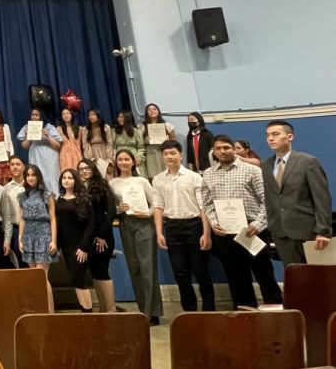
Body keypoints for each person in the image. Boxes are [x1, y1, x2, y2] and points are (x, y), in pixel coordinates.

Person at [202, 135, 282, 308]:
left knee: (264, 275)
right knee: (236, 277)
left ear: (234, 149)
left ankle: (277, 314)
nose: (222, 152)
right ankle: (246, 315)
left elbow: (267, 201)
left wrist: (258, 225)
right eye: (218, 149)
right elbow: (207, 203)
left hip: (252, 230)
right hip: (225, 233)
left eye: (226, 148)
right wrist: (214, 222)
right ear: (214, 152)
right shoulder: (208, 174)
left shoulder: (252, 170)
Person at [152, 142, 215, 312]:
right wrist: (159, 232)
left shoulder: (194, 177)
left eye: (173, 153)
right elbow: (158, 207)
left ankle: (209, 310)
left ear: (180, 155)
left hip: (194, 226)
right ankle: (189, 310)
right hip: (172, 227)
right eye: (166, 154)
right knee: (180, 273)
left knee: (201, 271)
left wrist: (206, 234)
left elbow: (204, 207)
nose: (169, 157)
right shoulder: (158, 180)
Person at [261, 120, 332, 266]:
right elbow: (270, 199)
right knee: (295, 277)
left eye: (276, 134)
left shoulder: (307, 162)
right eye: (268, 135)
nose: (271, 138)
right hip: (280, 232)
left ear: (289, 137)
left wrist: (323, 231)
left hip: (307, 230)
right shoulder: (266, 165)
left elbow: (322, 199)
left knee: (316, 277)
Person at [109, 150, 162, 325]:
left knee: (147, 267)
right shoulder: (113, 183)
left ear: (133, 162)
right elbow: (112, 207)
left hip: (144, 224)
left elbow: (156, 201)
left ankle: (152, 312)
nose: (123, 162)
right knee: (134, 266)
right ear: (116, 162)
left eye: (127, 159)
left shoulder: (142, 181)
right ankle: (142, 310)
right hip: (125, 223)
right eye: (120, 159)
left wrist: (148, 213)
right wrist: (119, 209)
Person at [77, 159, 116, 312]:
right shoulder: (79, 188)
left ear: (93, 169)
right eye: (80, 169)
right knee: (94, 273)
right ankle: (103, 307)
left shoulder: (103, 185)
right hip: (88, 237)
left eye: (87, 168)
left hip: (103, 236)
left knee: (102, 271)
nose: (84, 171)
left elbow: (111, 211)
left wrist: (101, 234)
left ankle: (111, 309)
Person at [54, 168, 95, 312]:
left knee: (80, 279)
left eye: (70, 178)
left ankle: (88, 312)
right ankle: (83, 308)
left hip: (80, 246)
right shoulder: (58, 200)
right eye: (64, 177)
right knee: (74, 279)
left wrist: (84, 247)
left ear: (75, 180)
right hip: (66, 246)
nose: (66, 180)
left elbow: (90, 225)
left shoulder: (83, 199)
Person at [17, 164, 56, 312]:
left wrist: (53, 240)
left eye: (33, 175)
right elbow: (21, 219)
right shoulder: (22, 196)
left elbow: (53, 219)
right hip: (28, 235)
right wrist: (20, 238)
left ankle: (50, 312)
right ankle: (39, 311)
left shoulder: (47, 195)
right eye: (28, 175)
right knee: (33, 277)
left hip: (44, 234)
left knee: (41, 276)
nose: (31, 178)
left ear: (38, 176)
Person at [17, 107, 62, 197]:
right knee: (36, 175)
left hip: (49, 156)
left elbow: (58, 146)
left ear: (41, 116)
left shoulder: (49, 127)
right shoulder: (27, 127)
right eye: (32, 115)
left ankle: (55, 199)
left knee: (51, 177)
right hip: (35, 155)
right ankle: (38, 198)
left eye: (36, 115)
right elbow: (24, 146)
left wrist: (48, 136)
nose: (34, 117)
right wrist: (29, 137)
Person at [140, 103, 177, 179]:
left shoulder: (167, 125)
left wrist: (168, 141)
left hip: (164, 152)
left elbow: (174, 141)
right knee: (153, 175)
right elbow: (139, 142)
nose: (152, 111)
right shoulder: (142, 126)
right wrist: (145, 140)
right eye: (149, 110)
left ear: (158, 111)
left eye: (154, 109)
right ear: (146, 113)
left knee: (167, 174)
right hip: (151, 153)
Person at [4, 155, 27, 266]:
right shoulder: (6, 189)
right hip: (15, 229)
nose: (15, 167)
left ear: (23, 167)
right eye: (12, 165)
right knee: (19, 262)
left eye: (18, 164)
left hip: (31, 228)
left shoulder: (30, 185)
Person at [83, 109, 114, 179]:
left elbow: (109, 143)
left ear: (98, 116)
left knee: (107, 177)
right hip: (93, 154)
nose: (91, 117)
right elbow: (85, 145)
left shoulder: (106, 127)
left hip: (104, 153)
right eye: (89, 115)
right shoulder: (86, 129)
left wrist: (109, 158)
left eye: (93, 115)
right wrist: (91, 159)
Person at [113, 111, 146, 176]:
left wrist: (139, 157)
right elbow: (113, 146)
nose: (119, 119)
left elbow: (141, 147)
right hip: (119, 158)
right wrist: (114, 156)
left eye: (121, 117)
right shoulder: (114, 131)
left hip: (134, 157)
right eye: (118, 117)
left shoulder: (136, 131)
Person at [58, 108, 85, 175]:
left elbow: (83, 144)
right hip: (64, 156)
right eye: (63, 114)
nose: (65, 115)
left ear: (72, 115)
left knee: (78, 174)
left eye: (67, 113)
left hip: (77, 155)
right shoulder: (59, 129)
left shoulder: (80, 129)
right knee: (67, 174)